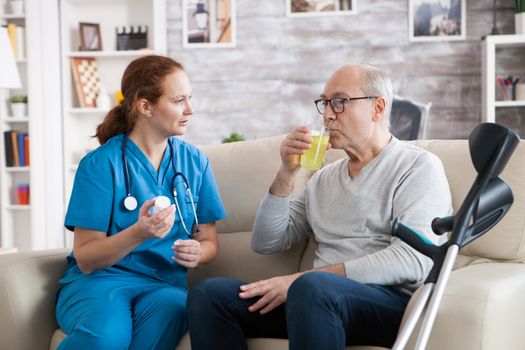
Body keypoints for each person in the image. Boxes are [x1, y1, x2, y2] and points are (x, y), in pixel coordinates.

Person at [187, 64, 452, 350]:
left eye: (339, 102)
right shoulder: (325, 177)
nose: (327, 114)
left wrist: (306, 279)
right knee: (209, 294)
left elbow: (413, 259)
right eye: (324, 103)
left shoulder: (417, 166)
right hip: (314, 301)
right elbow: (266, 241)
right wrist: (287, 172)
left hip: (388, 304)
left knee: (312, 288)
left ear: (377, 108)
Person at [55, 55, 226, 350]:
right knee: (107, 339)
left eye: (190, 98)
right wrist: (139, 232)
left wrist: (199, 252)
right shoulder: (100, 165)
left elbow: (209, 239)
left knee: (169, 316)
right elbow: (85, 257)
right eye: (178, 100)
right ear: (145, 106)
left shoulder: (195, 162)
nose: (190, 109)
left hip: (164, 285)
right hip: (100, 281)